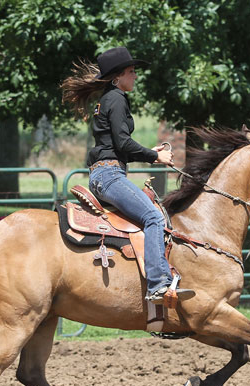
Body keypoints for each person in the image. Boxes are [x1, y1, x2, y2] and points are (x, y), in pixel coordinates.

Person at [61, 46, 193, 305]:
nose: (135, 76)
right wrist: (155, 157)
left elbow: (117, 145)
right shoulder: (118, 99)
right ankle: (159, 285)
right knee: (154, 217)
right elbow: (123, 144)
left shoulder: (107, 99)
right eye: (131, 72)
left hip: (104, 173)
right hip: (109, 175)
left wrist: (147, 152)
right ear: (117, 77)